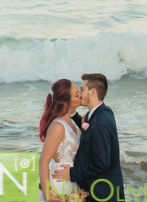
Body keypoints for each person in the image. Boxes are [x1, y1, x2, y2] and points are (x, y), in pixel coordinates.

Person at [53, 73, 125, 202]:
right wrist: (72, 112)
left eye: (82, 89)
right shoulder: (104, 112)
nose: (80, 93)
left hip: (102, 194)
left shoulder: (99, 124)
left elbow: (101, 164)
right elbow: (89, 128)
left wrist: (72, 173)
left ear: (92, 92)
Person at [38, 79, 83, 202]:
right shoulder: (58, 126)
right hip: (60, 183)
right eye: (76, 94)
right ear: (65, 102)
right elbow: (43, 161)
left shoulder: (72, 122)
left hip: (71, 180)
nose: (80, 95)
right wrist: (47, 194)